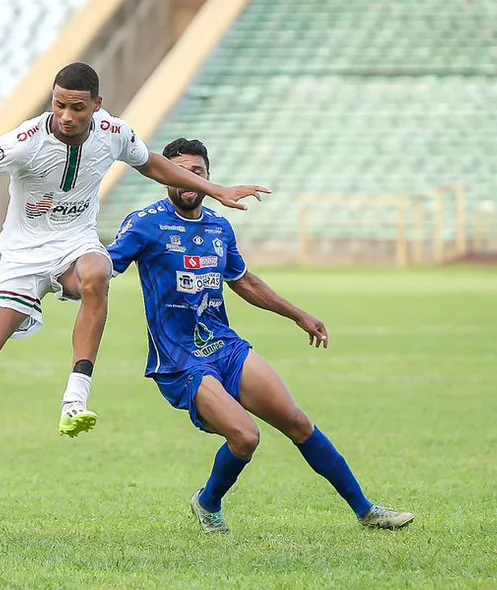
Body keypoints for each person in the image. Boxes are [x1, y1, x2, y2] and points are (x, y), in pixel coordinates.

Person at [0, 64, 270, 469]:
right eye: (59, 106)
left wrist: (215, 191)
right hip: (21, 259)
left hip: (75, 246)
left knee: (98, 271)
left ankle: (76, 396)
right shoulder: (23, 141)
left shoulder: (114, 133)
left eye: (77, 108)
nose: (67, 117)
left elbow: (153, 164)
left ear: (96, 106)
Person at [106, 138, 415, 532]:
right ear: (165, 177)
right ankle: (208, 502)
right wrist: (66, 279)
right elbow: (105, 267)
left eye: (197, 172)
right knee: (245, 438)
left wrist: (298, 315)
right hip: (181, 358)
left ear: (208, 177)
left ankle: (367, 511)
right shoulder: (145, 223)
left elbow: (245, 282)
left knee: (298, 423)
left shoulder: (219, 226)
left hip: (226, 346)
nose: (189, 179)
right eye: (180, 172)